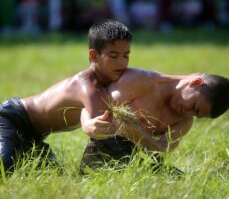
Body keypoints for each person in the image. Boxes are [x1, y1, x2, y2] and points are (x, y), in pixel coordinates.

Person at [0, 19, 132, 172]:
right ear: (94, 56)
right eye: (114, 56)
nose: (122, 63)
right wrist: (153, 145)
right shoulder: (87, 86)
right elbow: (109, 130)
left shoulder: (111, 82)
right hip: (11, 119)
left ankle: (23, 148)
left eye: (126, 55)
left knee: (54, 174)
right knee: (4, 167)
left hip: (33, 137)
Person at [80, 68, 229, 171]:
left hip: (134, 158)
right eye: (194, 107)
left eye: (197, 115)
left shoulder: (184, 120)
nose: (189, 113)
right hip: (104, 147)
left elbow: (162, 148)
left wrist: (145, 138)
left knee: (175, 179)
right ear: (196, 83)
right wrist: (87, 124)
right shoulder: (144, 81)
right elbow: (95, 103)